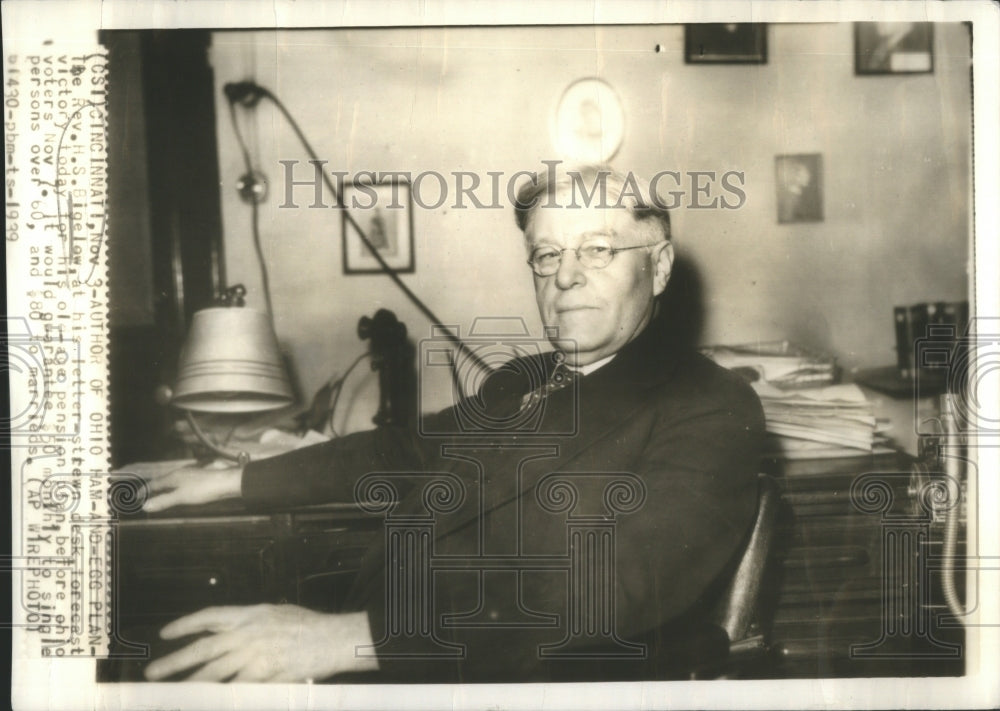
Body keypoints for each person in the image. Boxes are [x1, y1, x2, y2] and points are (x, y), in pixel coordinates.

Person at [141, 164, 765, 683]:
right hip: (411, 654)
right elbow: (407, 449)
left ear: (658, 267)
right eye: (546, 255)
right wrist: (235, 479)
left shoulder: (711, 405)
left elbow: (610, 590)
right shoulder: (525, 376)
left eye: (597, 249)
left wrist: (344, 640)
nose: (566, 275)